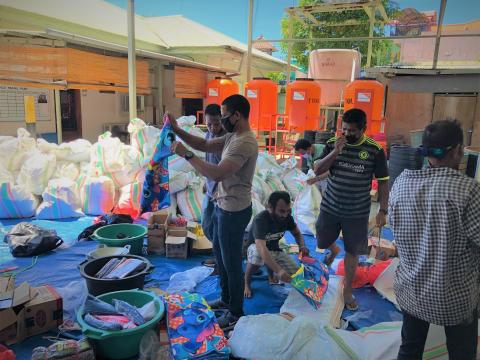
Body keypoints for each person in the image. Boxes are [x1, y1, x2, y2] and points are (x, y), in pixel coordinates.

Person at [389, 120, 479, 359]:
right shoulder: (468, 190)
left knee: (410, 349)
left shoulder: (401, 183)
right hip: (454, 298)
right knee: (462, 353)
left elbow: (395, 232)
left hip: (412, 291)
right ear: (458, 149)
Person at [169, 94, 258, 328]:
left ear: (237, 115)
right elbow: (205, 144)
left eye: (225, 115)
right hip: (221, 204)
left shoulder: (244, 142)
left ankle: (236, 312)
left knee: (230, 263)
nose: (222, 120)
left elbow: (217, 173)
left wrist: (186, 155)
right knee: (220, 255)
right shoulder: (232, 135)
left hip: (233, 210)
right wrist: (177, 130)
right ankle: (227, 299)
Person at [313, 108, 389, 311]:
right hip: (330, 207)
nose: (346, 134)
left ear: (364, 129)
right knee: (321, 240)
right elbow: (317, 169)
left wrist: (383, 210)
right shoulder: (332, 144)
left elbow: (383, 182)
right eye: (344, 129)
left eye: (352, 131)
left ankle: (347, 291)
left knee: (353, 251)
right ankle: (333, 250)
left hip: (357, 212)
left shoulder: (374, 150)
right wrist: (336, 152)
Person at [244, 191, 309, 298]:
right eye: (281, 211)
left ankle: (271, 277)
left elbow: (297, 233)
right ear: (270, 207)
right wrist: (279, 271)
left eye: (288, 211)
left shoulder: (287, 217)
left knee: (297, 276)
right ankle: (246, 282)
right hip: (255, 249)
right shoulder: (261, 219)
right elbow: (261, 248)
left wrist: (302, 246)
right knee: (257, 255)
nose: (285, 215)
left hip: (274, 249)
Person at [201, 104, 225, 267]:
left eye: (216, 124)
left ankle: (220, 263)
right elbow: (208, 160)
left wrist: (221, 190)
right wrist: (205, 181)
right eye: (209, 124)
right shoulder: (208, 136)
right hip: (210, 189)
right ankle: (219, 257)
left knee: (218, 231)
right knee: (206, 224)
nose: (213, 128)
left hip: (222, 193)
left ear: (222, 120)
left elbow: (228, 169)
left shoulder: (226, 139)